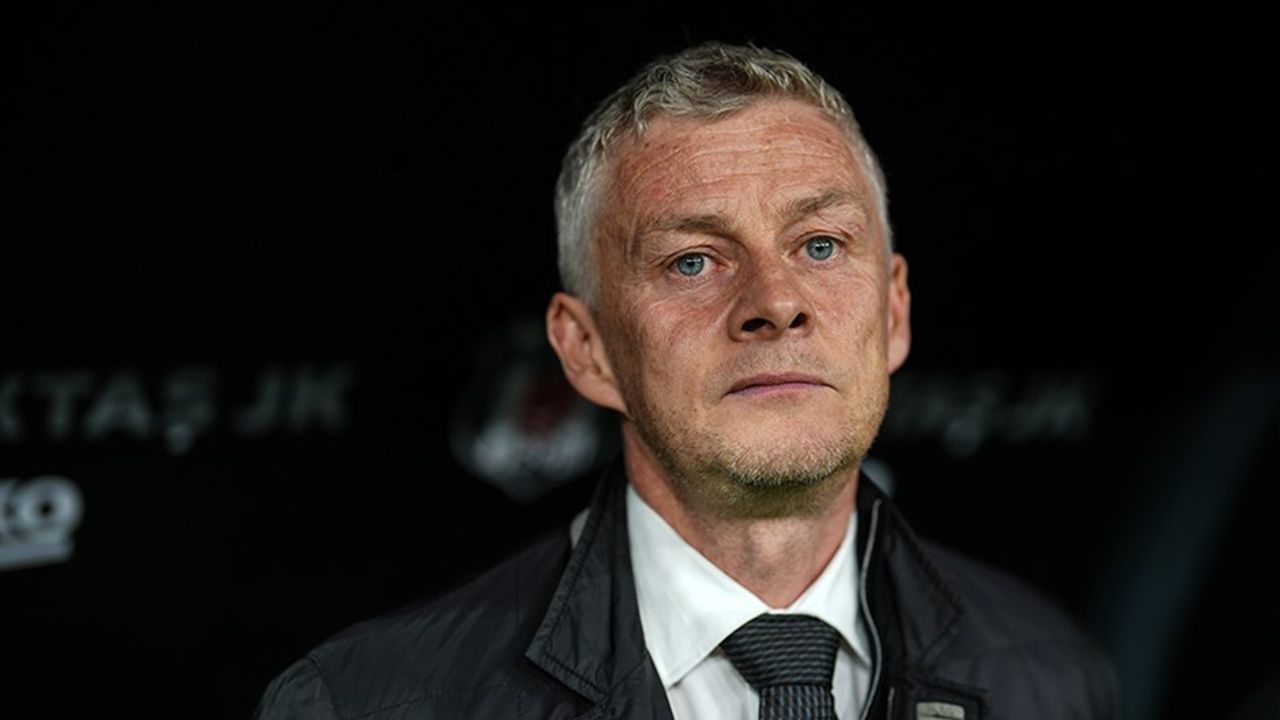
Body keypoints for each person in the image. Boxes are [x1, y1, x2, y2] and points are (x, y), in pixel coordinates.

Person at [254, 41, 1120, 719]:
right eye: (694, 261)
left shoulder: (1052, 675)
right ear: (587, 350)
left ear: (893, 313)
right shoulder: (365, 704)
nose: (775, 302)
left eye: (821, 246)